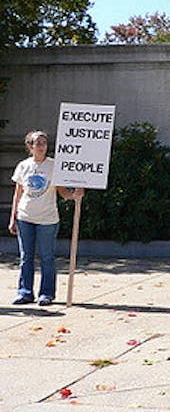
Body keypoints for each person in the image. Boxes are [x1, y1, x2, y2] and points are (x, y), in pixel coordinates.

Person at [8, 131, 84, 306]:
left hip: (47, 219)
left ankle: (47, 293)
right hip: (25, 216)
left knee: (47, 257)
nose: (42, 146)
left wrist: (75, 195)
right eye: (38, 143)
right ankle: (25, 292)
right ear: (30, 146)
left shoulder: (54, 166)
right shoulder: (23, 166)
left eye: (44, 142)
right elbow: (18, 193)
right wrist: (13, 218)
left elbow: (62, 191)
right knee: (26, 256)